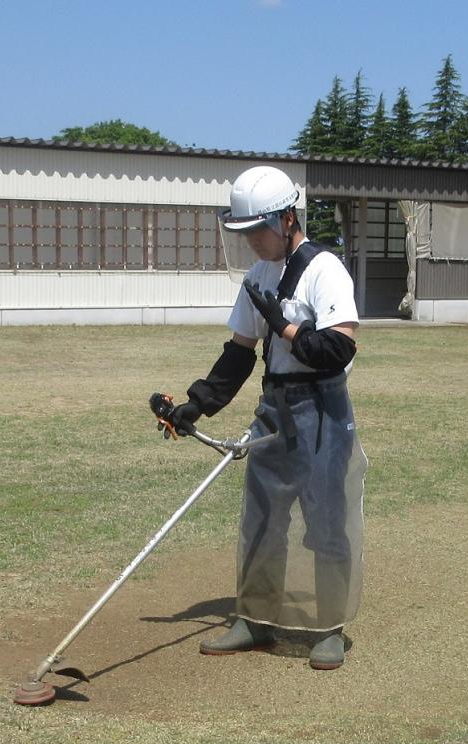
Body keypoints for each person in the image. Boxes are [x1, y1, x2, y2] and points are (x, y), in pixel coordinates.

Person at [165, 166, 367, 670]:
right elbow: (239, 354)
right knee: (262, 517)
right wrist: (198, 402)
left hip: (322, 406)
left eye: (258, 230)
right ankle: (254, 619)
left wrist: (286, 327)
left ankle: (329, 628)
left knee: (326, 519)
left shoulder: (325, 270)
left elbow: (339, 348)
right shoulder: (258, 276)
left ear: (287, 219)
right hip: (274, 406)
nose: (252, 242)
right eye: (243, 233)